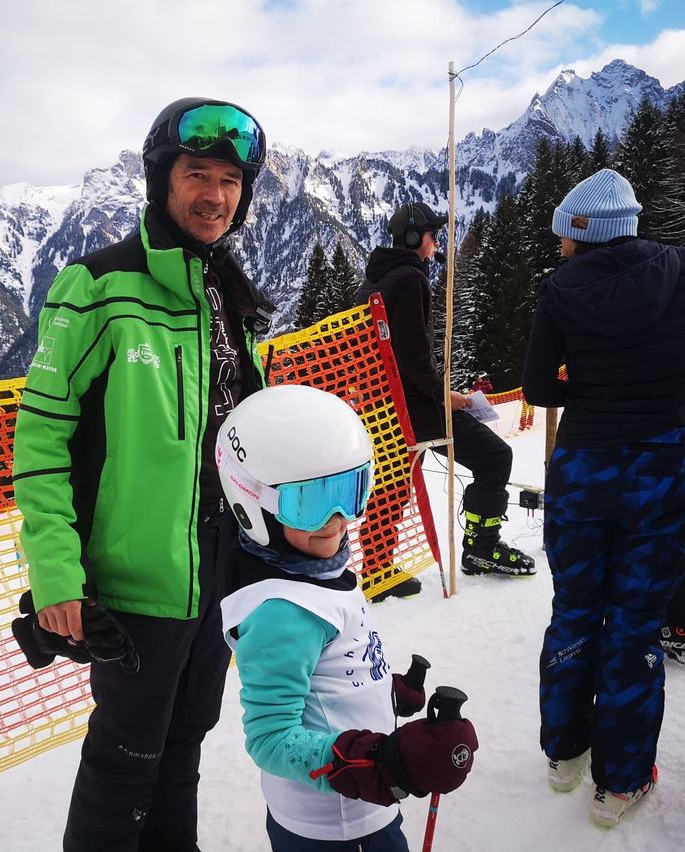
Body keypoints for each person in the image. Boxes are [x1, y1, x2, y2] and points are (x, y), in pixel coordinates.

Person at [12, 97, 275, 851]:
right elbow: (41, 435)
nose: (216, 194)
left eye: (231, 180)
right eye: (199, 173)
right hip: (138, 583)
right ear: (164, 179)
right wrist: (57, 571)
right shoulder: (97, 286)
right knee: (123, 764)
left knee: (185, 746)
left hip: (221, 571)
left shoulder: (228, 293)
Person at [216, 384, 478, 850]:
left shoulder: (313, 570)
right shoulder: (283, 612)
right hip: (333, 824)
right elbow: (271, 738)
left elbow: (324, 668)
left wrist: (383, 689)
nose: (337, 519)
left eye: (349, 490)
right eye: (312, 502)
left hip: (362, 806)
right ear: (254, 504)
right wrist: (383, 762)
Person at [522, 168, 685, 827]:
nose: (558, 246)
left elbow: (535, 387)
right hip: (663, 470)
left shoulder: (559, 290)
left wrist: (585, 395)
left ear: (580, 232)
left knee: (576, 611)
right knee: (636, 621)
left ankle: (565, 754)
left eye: (563, 235)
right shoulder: (677, 269)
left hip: (583, 467)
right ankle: (619, 785)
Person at [356, 202, 535, 585]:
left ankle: (375, 565)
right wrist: (444, 395)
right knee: (495, 457)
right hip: (413, 404)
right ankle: (482, 548)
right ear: (413, 238)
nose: (436, 243)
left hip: (380, 401)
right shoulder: (410, 280)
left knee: (396, 477)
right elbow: (414, 356)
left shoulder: (373, 282)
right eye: (433, 236)